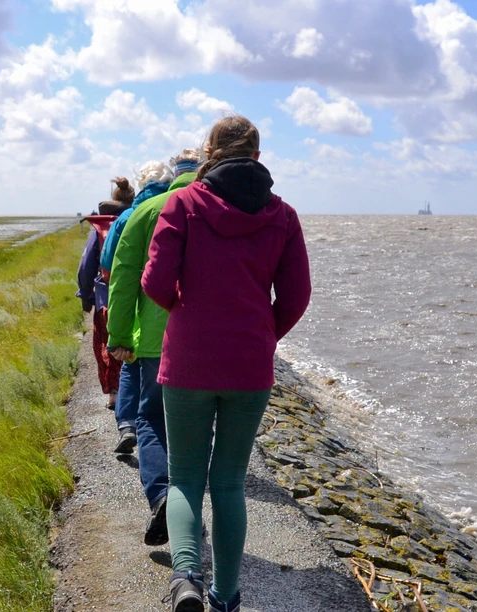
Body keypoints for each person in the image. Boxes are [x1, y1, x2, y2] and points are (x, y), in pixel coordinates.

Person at [142, 116, 311, 612]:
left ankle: (187, 578)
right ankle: (226, 597)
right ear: (257, 157)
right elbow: (297, 296)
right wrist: (262, 333)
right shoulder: (282, 214)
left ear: (209, 152)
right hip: (248, 366)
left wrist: (188, 312)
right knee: (230, 481)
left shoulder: (184, 204)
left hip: (189, 360)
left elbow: (155, 281)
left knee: (185, 477)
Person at [105, 149, 201, 545]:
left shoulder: (144, 212)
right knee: (194, 431)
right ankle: (189, 510)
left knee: (153, 422)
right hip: (205, 339)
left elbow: (123, 276)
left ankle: (162, 495)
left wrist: (120, 336)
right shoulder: (211, 205)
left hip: (154, 339)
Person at [102, 161, 175, 455]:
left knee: (131, 365)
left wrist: (115, 333)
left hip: (135, 307)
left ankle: (127, 425)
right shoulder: (179, 208)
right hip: (171, 313)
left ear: (142, 184)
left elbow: (110, 268)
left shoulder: (131, 216)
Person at [76, 182, 133, 409]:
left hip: (105, 297)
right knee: (130, 344)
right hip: (133, 294)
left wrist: (85, 294)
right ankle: (134, 392)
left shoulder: (99, 226)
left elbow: (86, 265)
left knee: (105, 345)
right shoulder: (135, 219)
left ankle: (114, 394)